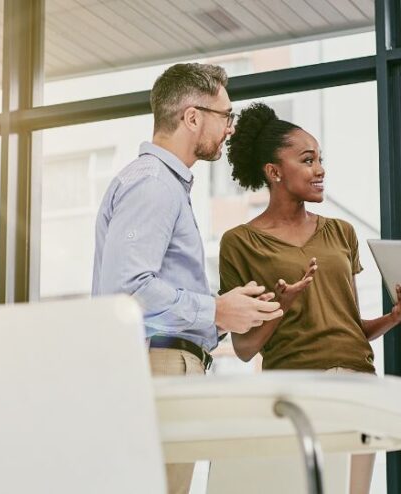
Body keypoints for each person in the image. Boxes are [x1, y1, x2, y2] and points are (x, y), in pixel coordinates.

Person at [92, 63, 284, 494]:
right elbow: (127, 289)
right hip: (157, 365)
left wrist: (225, 314)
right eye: (225, 116)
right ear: (192, 116)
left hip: (160, 363)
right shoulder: (154, 184)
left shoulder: (162, 184)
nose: (231, 129)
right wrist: (215, 308)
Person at [218, 102, 401, 494]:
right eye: (308, 160)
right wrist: (282, 307)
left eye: (320, 159)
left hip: (359, 383)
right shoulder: (239, 242)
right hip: (297, 388)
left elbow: (349, 327)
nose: (320, 169)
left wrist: (395, 316)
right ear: (274, 172)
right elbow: (243, 348)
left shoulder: (341, 232)